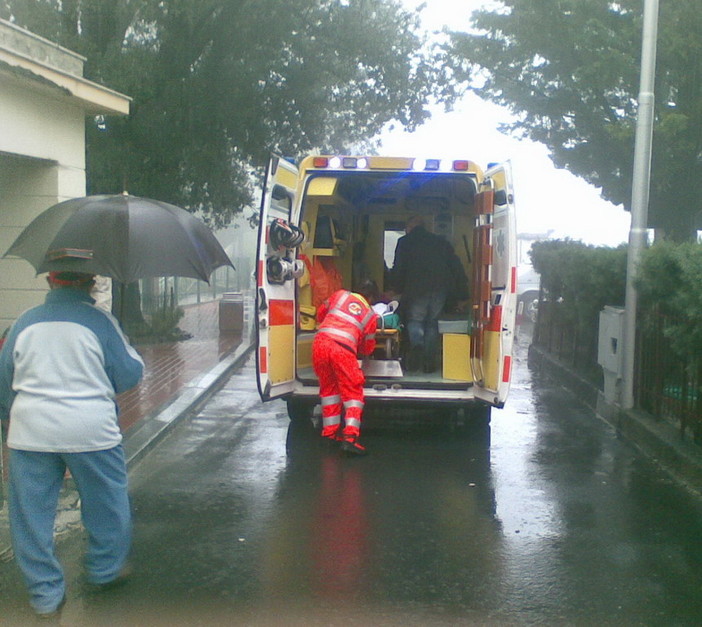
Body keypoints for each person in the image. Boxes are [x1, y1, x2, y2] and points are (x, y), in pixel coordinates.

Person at [0, 271, 144, 618]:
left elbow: (4, 377)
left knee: (31, 514)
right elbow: (129, 373)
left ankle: (45, 594)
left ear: (50, 280)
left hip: (31, 430)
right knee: (106, 502)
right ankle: (104, 570)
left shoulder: (23, 322)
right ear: (90, 282)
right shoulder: (101, 322)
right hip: (90, 429)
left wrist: (9, 418)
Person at [391, 215, 469, 373]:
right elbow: (456, 268)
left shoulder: (404, 242)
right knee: (432, 324)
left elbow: (399, 268)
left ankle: (416, 349)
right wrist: (462, 294)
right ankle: (429, 364)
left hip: (416, 289)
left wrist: (396, 289)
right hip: (439, 290)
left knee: (415, 321)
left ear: (410, 227)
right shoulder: (441, 242)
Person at [312, 279, 379, 456]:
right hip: (342, 350)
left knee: (329, 391)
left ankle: (329, 435)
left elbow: (321, 314)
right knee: (353, 393)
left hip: (320, 344)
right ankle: (350, 438)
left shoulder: (340, 295)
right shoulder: (370, 315)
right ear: (371, 298)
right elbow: (367, 347)